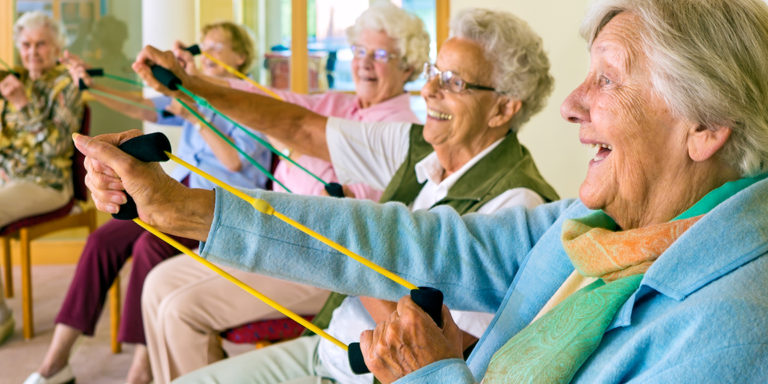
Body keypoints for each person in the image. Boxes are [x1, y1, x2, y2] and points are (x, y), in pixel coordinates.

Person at [81, 0, 768, 382]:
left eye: (609, 80)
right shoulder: (599, 225)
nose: (574, 105)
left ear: (704, 125)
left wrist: (430, 373)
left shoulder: (735, 327)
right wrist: (188, 206)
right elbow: (406, 236)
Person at [106, 5, 557, 383]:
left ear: (504, 108)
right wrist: (191, 87)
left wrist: (347, 243)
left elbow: (446, 349)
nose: (429, 90)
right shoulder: (419, 143)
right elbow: (299, 125)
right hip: (325, 349)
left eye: (454, 82)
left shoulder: (518, 205)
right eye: (434, 73)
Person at [140, 3, 429, 382]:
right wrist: (190, 79)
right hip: (270, 236)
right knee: (157, 284)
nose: (364, 63)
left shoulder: (402, 128)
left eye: (379, 55)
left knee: (180, 309)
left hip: (321, 260)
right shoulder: (339, 103)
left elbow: (356, 212)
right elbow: (274, 106)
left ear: (408, 65)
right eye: (359, 51)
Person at [24, 22, 271, 384]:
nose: (210, 53)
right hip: (180, 192)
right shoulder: (197, 93)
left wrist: (195, 114)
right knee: (101, 241)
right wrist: (92, 86)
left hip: (221, 207)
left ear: (242, 56)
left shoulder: (252, 100)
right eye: (207, 46)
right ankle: (56, 362)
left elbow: (235, 163)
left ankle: (140, 371)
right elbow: (139, 104)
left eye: (219, 47)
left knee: (148, 247)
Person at [0, 11, 83, 348]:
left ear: (57, 46)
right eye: (26, 44)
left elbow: (56, 147)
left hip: (48, 183)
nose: (33, 51)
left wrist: (22, 103)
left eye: (41, 44)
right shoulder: (17, 79)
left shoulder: (66, 84)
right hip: (11, 180)